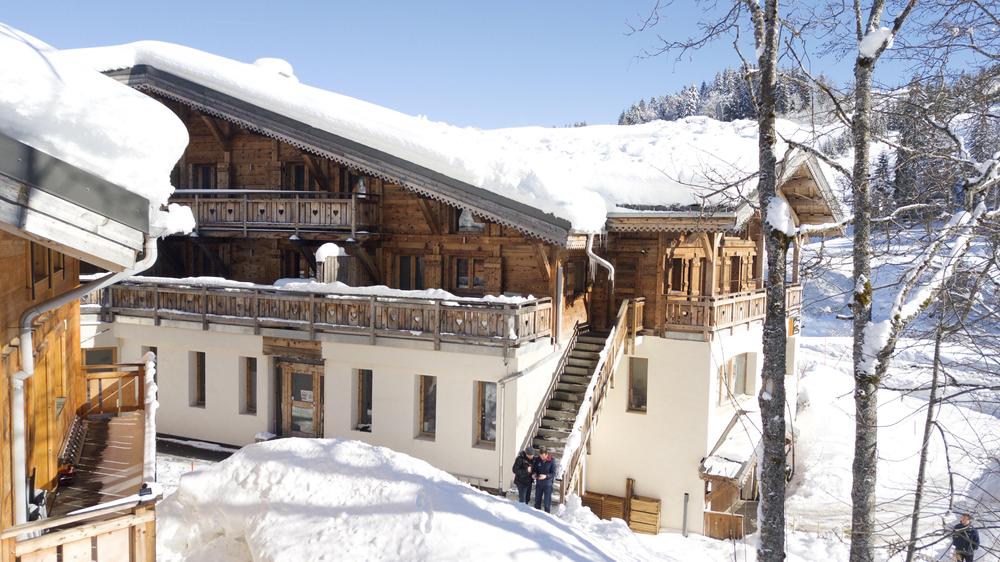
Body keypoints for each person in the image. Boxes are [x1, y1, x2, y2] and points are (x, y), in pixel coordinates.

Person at [532, 447, 557, 513]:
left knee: (547, 503)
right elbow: (535, 469)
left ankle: (546, 517)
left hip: (548, 485)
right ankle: (536, 516)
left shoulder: (552, 461)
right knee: (537, 502)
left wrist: (546, 476)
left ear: (546, 454)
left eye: (543, 456)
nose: (542, 458)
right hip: (539, 484)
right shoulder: (538, 460)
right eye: (540, 456)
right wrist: (534, 474)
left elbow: (554, 473)